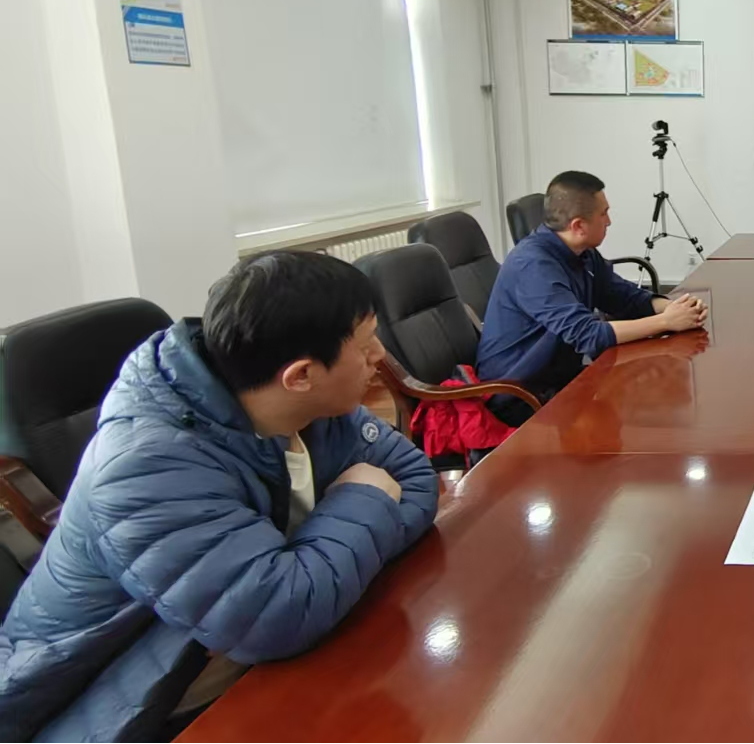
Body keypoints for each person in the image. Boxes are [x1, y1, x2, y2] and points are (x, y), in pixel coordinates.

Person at [0, 252, 439, 742]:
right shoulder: (145, 467)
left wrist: (317, 569)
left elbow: (416, 479)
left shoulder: (309, 405)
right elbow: (277, 619)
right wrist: (363, 498)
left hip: (261, 659)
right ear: (300, 375)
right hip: (141, 705)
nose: (380, 354)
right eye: (364, 343)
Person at [477, 171, 707, 407]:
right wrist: (666, 321)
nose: (609, 221)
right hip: (519, 393)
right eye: (603, 213)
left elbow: (621, 296)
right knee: (642, 402)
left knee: (651, 390)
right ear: (578, 226)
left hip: (559, 377)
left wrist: (673, 308)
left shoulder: (583, 252)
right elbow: (588, 335)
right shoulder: (533, 265)